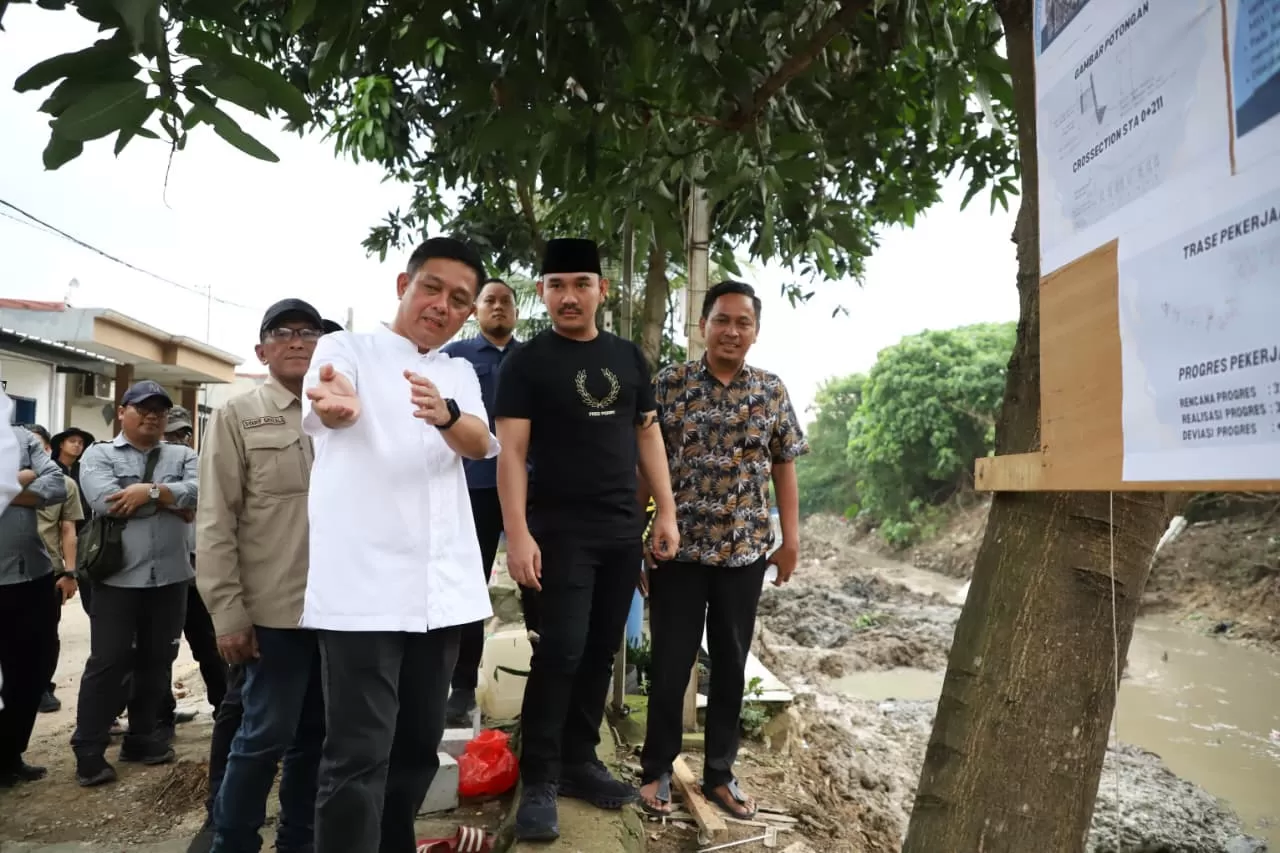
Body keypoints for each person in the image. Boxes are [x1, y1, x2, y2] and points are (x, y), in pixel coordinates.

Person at [303, 237, 497, 853]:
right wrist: (338, 406)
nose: (443, 305)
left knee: (416, 747)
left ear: (469, 312)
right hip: (364, 592)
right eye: (432, 288)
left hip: (440, 594)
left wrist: (445, 416)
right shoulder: (345, 349)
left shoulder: (459, 370)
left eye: (459, 299)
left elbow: (478, 441)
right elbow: (332, 403)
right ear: (402, 286)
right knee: (358, 756)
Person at [494, 237, 679, 842]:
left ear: (602, 289)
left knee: (601, 650)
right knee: (562, 650)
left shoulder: (628, 358)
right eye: (555, 286)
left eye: (580, 284)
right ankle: (541, 775)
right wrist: (517, 534)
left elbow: (648, 437)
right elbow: (512, 453)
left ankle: (579, 759)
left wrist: (667, 515)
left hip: (621, 528)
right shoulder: (526, 362)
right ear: (542, 293)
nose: (567, 297)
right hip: (558, 531)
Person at [637, 280, 808, 820]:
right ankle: (657, 769)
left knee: (731, 665)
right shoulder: (669, 384)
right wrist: (633, 537)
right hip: (678, 552)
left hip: (744, 553)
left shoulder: (771, 391)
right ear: (703, 326)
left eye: (743, 322)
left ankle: (719, 774)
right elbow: (648, 461)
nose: (732, 331)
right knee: (670, 663)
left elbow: (785, 464)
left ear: (755, 332)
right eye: (722, 320)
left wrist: (791, 541)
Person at [191, 299, 332, 853]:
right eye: (283, 333)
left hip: (339, 610)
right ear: (262, 350)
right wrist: (228, 614)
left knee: (316, 739)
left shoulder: (342, 414)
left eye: (309, 332)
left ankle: (298, 842)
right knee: (262, 736)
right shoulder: (237, 415)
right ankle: (233, 840)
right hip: (273, 612)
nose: (297, 341)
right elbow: (215, 522)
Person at [72, 380, 199, 786]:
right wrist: (170, 502)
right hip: (117, 579)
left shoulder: (183, 453)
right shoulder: (99, 454)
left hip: (171, 578)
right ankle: (88, 750)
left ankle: (142, 738)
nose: (152, 416)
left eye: (160, 410)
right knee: (107, 663)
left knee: (157, 662)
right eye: (143, 408)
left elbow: (202, 494)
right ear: (123, 410)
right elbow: (105, 502)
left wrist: (148, 492)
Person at [440, 276, 526, 727]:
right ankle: (461, 686)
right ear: (475, 311)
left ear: (516, 311)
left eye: (506, 302)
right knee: (469, 586)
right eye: (489, 301)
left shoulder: (531, 358)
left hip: (530, 490)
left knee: (539, 580)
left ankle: (546, 681)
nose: (498, 308)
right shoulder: (454, 357)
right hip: (472, 486)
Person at [0, 423, 67, 786]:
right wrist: (22, 478)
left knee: (28, 675)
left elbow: (57, 485)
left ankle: (8, 754)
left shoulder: (23, 439)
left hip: (30, 578)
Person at [27, 425, 82, 714]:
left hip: (48, 572)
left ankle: (42, 687)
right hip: (7, 572)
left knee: (46, 634)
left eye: (35, 445)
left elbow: (68, 529)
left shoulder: (64, 485)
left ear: (47, 450)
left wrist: (69, 573)